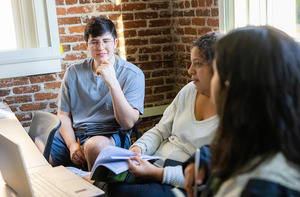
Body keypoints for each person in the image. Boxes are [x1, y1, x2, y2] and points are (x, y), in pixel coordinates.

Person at [184, 26, 300, 197]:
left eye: (216, 71)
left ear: (232, 87)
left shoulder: (257, 189)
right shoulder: (278, 137)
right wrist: (206, 158)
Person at [102, 32, 222, 197]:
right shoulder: (189, 90)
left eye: (198, 64)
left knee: (122, 192)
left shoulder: (231, 115)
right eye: (191, 63)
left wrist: (154, 173)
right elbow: (160, 130)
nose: (189, 70)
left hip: (178, 182)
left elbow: (204, 177)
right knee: (107, 183)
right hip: (153, 165)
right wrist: (139, 148)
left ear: (218, 67)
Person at [50, 17, 145, 171]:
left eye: (106, 41)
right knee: (39, 146)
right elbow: (63, 114)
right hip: (76, 134)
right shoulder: (73, 73)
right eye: (94, 42)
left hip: (110, 135)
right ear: (87, 45)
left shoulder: (133, 74)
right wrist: (72, 144)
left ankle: (96, 191)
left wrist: (113, 82)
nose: (101, 47)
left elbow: (128, 123)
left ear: (115, 43)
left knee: (94, 146)